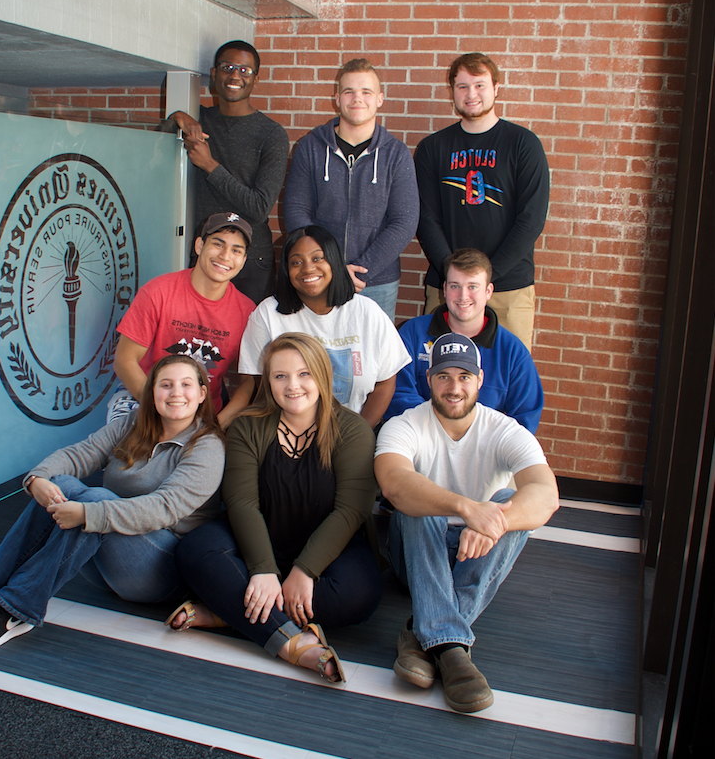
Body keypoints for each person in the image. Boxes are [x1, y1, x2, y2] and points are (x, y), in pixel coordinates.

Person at [0, 355, 226, 652]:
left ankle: (15, 610)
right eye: (166, 384)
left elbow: (164, 508)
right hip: (106, 556)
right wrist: (38, 478)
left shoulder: (208, 446)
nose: (176, 393)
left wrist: (89, 513)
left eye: (186, 384)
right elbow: (81, 453)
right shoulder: (134, 423)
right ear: (152, 392)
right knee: (61, 485)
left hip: (161, 571)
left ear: (202, 394)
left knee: (96, 498)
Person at [171, 333, 382, 683]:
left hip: (327, 548)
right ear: (268, 381)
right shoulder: (248, 426)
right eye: (280, 376)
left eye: (304, 374)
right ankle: (293, 643)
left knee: (361, 595)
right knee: (194, 551)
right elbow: (241, 501)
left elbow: (350, 511)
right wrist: (263, 569)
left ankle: (229, 610)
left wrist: (305, 571)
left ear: (322, 375)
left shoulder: (353, 430)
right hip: (258, 539)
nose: (292, 385)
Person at [375, 332, 558, 712]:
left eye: (463, 376)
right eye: (443, 376)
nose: (454, 387)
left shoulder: (504, 429)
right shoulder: (404, 425)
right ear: (429, 380)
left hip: (474, 550)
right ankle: (453, 650)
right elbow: (394, 483)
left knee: (510, 503)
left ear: (479, 379)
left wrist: (492, 521)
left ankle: (426, 634)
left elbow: (545, 494)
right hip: (415, 551)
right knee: (416, 502)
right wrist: (466, 508)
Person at [415, 52, 550, 350]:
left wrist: (485, 279)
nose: (471, 94)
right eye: (462, 86)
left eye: (479, 85)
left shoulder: (523, 144)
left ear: (496, 87)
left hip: (507, 288)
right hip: (446, 288)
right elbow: (425, 219)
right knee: (438, 375)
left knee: (506, 380)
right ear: (452, 91)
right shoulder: (432, 148)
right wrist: (456, 281)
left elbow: (531, 220)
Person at [283, 58, 419, 321]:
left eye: (366, 92)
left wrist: (361, 270)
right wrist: (329, 266)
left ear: (379, 98)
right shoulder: (310, 148)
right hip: (318, 278)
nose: (358, 99)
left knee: (373, 359)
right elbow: (296, 212)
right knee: (313, 355)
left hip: (376, 282)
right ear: (337, 98)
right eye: (349, 92)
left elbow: (404, 222)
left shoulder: (396, 154)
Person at [238, 225, 411, 428]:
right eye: (296, 262)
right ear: (286, 269)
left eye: (317, 258)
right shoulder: (267, 314)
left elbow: (385, 382)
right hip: (286, 432)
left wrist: (359, 433)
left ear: (334, 261)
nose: (308, 268)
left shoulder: (368, 313)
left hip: (352, 432)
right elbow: (254, 382)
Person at [165, 40, 289, 304]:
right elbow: (157, 162)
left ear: (256, 79)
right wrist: (175, 117)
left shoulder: (271, 134)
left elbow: (259, 207)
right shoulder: (198, 120)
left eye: (244, 70)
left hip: (249, 259)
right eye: (227, 67)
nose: (235, 75)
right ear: (214, 73)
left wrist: (209, 165)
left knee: (245, 339)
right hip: (202, 252)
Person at [108, 212, 255, 429]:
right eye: (218, 244)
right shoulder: (158, 292)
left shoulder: (247, 311)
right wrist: (159, 409)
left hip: (202, 411)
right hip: (143, 396)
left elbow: (248, 382)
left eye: (236, 251)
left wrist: (216, 427)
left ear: (243, 260)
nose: (225, 256)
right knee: (126, 457)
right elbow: (124, 360)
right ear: (199, 246)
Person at [386, 247, 543, 432]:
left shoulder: (512, 351)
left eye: (472, 287)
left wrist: (473, 441)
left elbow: (525, 417)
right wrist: (438, 432)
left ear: (488, 291)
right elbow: (395, 394)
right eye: (455, 286)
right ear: (444, 289)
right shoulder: (412, 333)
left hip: (484, 451)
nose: (463, 296)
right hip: (420, 440)